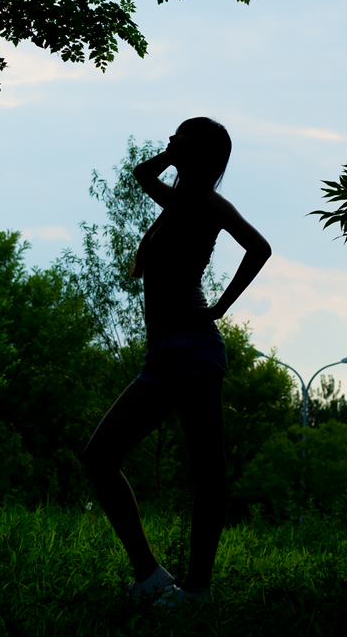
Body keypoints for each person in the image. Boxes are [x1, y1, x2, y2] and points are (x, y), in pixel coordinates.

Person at [81, 117, 272, 605]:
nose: (169, 138)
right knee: (100, 457)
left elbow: (259, 248)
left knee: (208, 470)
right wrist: (176, 154)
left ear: (202, 151)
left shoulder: (204, 201)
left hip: (192, 347)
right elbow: (142, 175)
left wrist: (221, 307)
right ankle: (150, 577)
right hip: (163, 353)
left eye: (180, 133)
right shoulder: (181, 200)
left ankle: (198, 590)